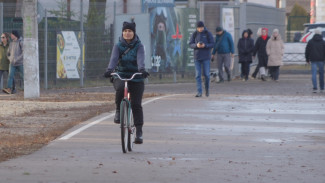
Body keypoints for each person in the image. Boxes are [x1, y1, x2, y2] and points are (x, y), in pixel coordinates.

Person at [104, 21, 149, 144]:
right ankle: (118, 111)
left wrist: (142, 70)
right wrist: (109, 70)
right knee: (119, 89)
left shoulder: (139, 46)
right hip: (121, 74)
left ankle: (139, 132)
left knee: (136, 104)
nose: (127, 33)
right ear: (122, 32)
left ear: (133, 33)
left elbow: (140, 58)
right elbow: (113, 59)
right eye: (125, 31)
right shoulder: (118, 46)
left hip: (136, 76)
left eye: (129, 31)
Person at [189, 21, 214, 97]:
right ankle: (199, 92)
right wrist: (196, 45)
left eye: (201, 27)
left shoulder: (208, 33)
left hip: (206, 57)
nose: (200, 29)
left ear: (203, 27)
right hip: (197, 57)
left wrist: (205, 45)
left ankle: (207, 89)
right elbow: (190, 44)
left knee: (206, 74)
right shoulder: (194, 34)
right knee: (197, 75)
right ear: (197, 28)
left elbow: (212, 43)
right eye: (199, 28)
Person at [305, 27, 325, 93]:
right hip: (321, 60)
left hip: (313, 59)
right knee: (321, 74)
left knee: (313, 74)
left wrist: (307, 59)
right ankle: (322, 88)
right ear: (320, 34)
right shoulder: (323, 42)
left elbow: (307, 51)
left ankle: (315, 88)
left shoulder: (310, 41)